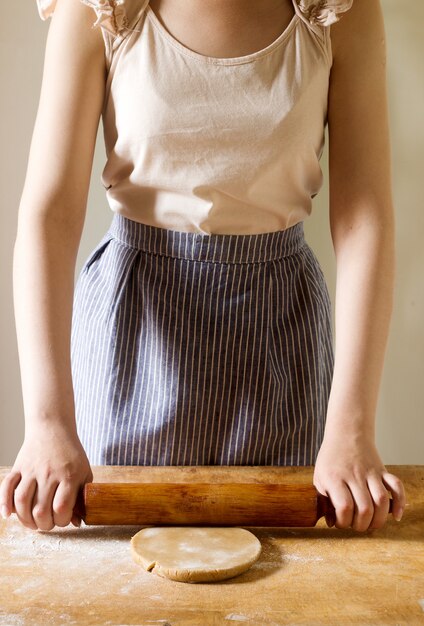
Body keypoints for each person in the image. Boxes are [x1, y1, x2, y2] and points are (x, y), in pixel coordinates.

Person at [0, 0, 406, 534]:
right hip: (134, 337)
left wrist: (352, 426)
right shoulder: (102, 8)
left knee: (280, 585)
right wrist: (48, 423)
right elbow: (49, 215)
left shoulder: (338, 10)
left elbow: (364, 217)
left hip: (280, 339)